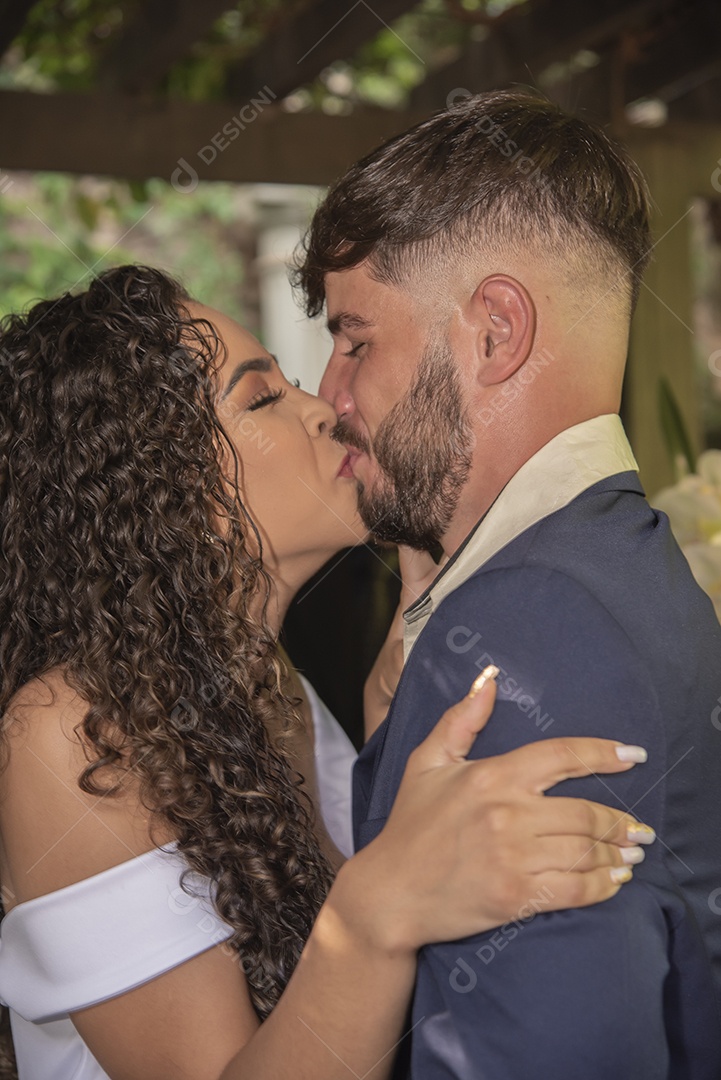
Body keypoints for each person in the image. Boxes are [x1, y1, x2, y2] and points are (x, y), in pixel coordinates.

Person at [0, 265, 652, 1080]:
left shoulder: (273, 688)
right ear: (157, 481)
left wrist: (397, 712)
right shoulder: (73, 736)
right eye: (262, 398)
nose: (324, 408)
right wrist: (377, 913)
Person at [298, 89, 721, 1077]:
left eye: (355, 339)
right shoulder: (630, 565)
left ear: (494, 332)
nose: (328, 391)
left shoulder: (518, 632)